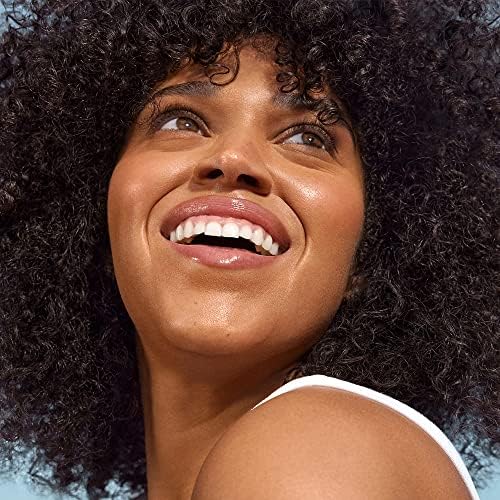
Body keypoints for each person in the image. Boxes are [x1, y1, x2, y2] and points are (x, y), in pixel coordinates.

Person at [0, 1, 498, 499]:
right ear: (95, 214)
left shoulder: (315, 453)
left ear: (371, 252)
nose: (233, 158)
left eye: (308, 137)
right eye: (181, 122)